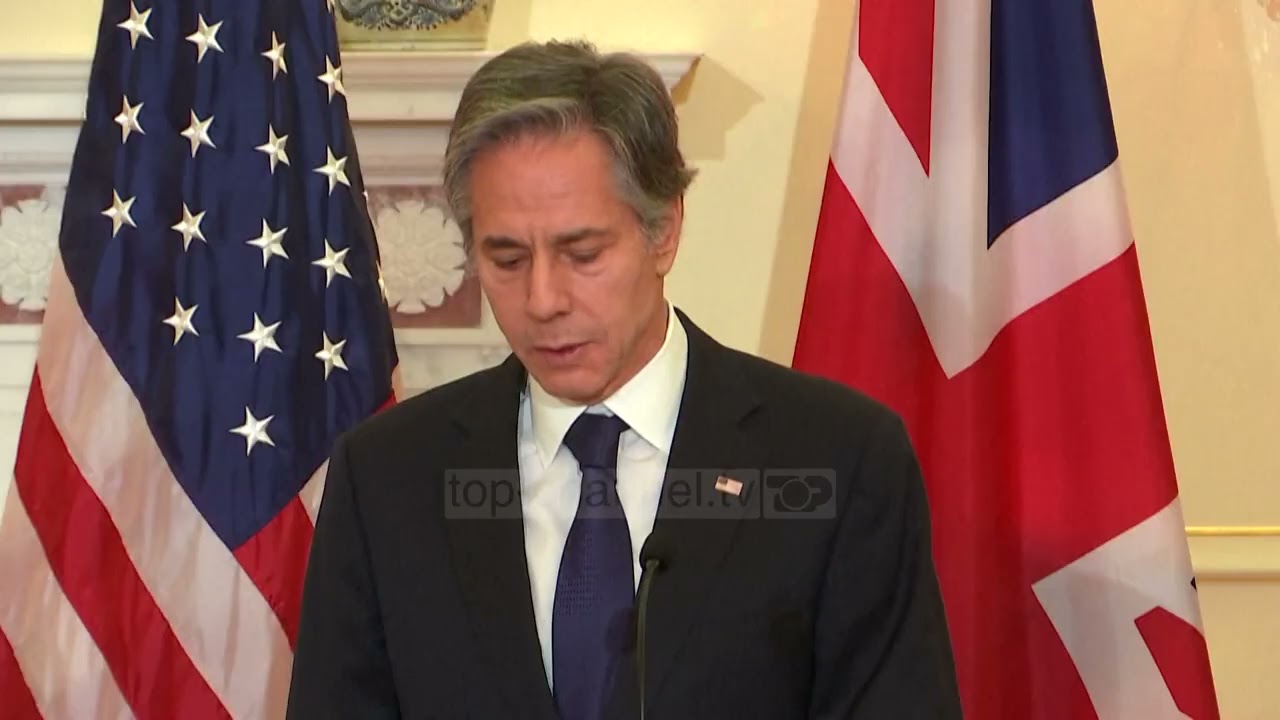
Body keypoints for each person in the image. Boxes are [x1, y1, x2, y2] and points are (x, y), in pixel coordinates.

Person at [286, 39, 962, 719]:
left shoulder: (839, 459)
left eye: (582, 253)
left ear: (663, 230)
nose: (543, 299)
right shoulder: (385, 478)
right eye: (508, 259)